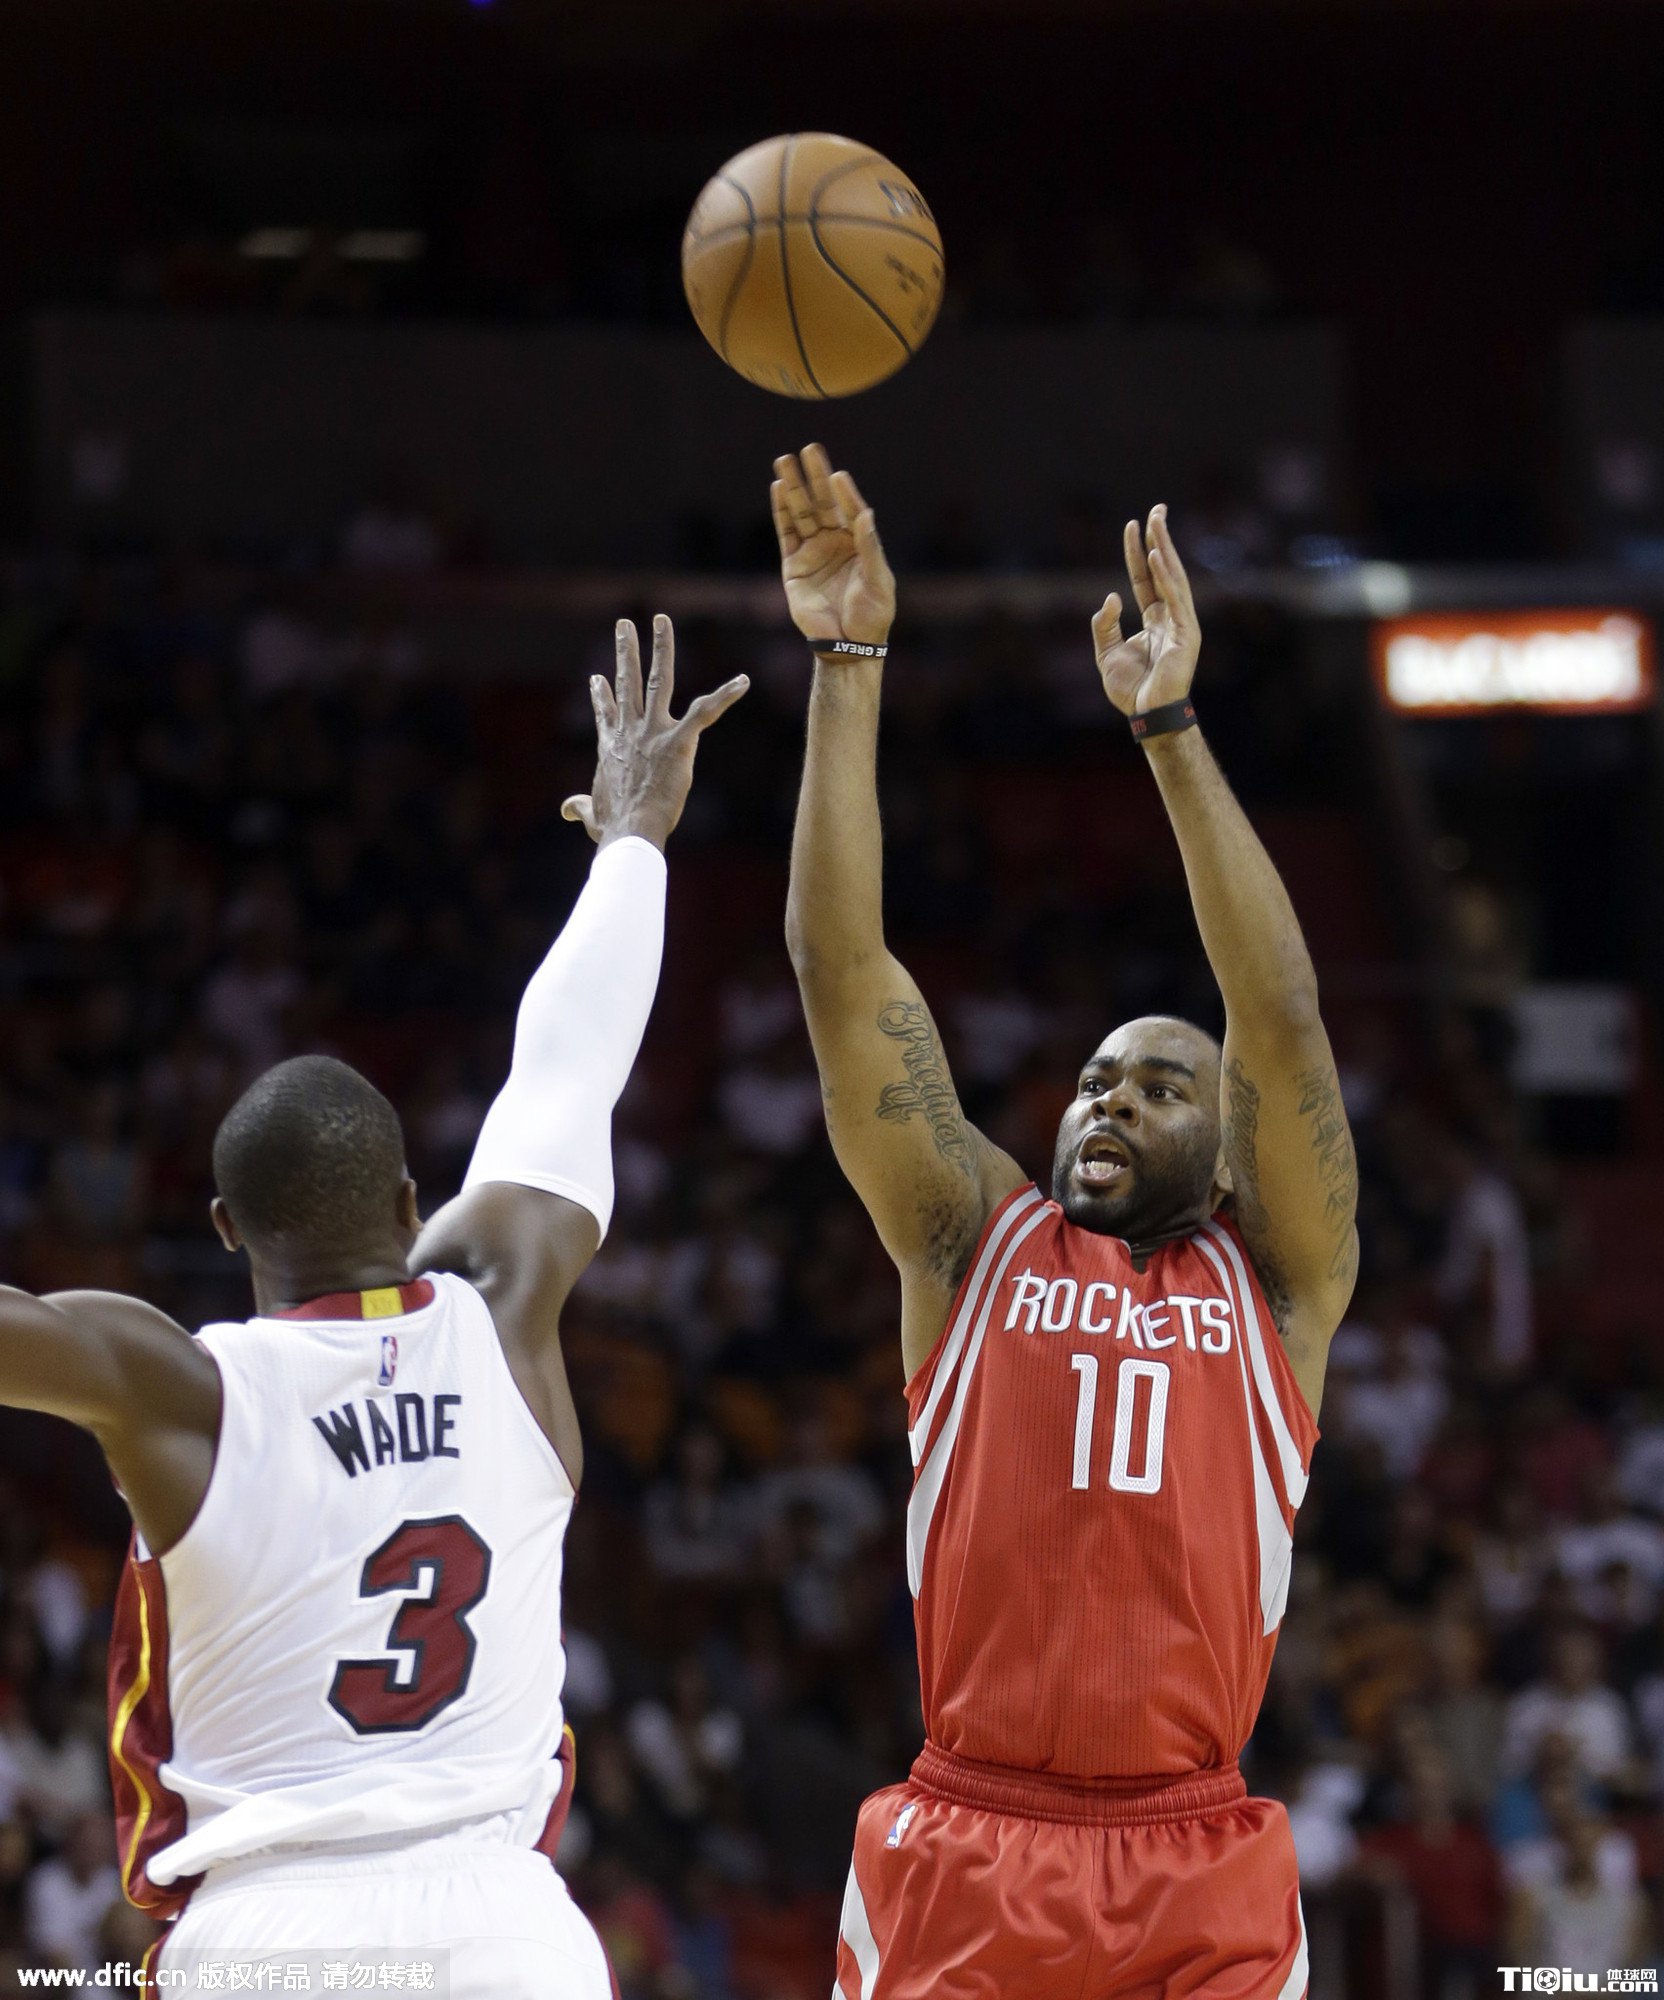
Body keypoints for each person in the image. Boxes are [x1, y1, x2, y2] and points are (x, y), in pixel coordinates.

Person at [0, 618, 746, 1995]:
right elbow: (568, 1063)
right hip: (511, 1936)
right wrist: (635, 837)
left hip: (272, 1932)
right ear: (412, 1202)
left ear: (226, 1230)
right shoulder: (504, 1308)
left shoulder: (179, 1388)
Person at [772, 445, 1358, 1998]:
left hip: (1197, 1855)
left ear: (1224, 1154)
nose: (1111, 1099)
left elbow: (1281, 1018)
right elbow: (842, 973)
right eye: (1096, 1079)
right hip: (969, 1842)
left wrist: (1167, 730)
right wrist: (846, 660)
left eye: (1162, 1086)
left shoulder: (1277, 1282)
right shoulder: (973, 1239)